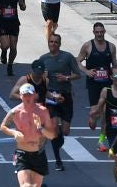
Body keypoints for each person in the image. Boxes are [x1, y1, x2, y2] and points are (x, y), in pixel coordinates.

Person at [33, 36, 81, 171]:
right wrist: (42, 76)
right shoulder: (43, 59)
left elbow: (78, 75)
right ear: (48, 43)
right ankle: (58, 161)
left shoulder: (67, 57)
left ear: (60, 44)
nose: (53, 44)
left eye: (56, 42)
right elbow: (36, 78)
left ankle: (58, 133)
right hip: (50, 97)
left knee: (65, 131)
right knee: (53, 128)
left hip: (65, 96)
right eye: (51, 42)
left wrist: (66, 77)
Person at [0, 82, 55, 187]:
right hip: (22, 155)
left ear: (35, 95)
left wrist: (40, 128)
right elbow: (3, 126)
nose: (27, 98)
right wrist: (13, 133)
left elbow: (52, 135)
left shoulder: (43, 111)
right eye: (24, 95)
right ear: (20, 96)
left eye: (29, 94)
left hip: (39, 154)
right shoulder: (15, 112)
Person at [79, 23, 117, 113]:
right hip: (93, 83)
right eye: (97, 32)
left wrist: (116, 78)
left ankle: (104, 122)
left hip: (107, 83)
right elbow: (77, 61)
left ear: (104, 31)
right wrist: (86, 71)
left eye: (101, 32)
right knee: (94, 111)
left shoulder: (111, 46)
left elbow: (115, 65)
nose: (99, 34)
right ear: (93, 32)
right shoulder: (87, 45)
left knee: (106, 111)